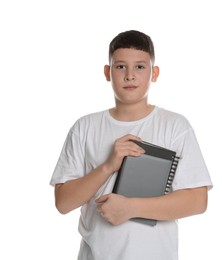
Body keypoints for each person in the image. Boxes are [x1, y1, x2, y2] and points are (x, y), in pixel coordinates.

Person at [50, 30, 213, 260]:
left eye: (139, 67)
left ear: (154, 73)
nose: (129, 75)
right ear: (107, 72)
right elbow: (63, 203)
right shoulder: (84, 127)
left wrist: (131, 208)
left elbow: (198, 201)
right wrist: (108, 166)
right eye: (120, 67)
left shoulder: (175, 126)